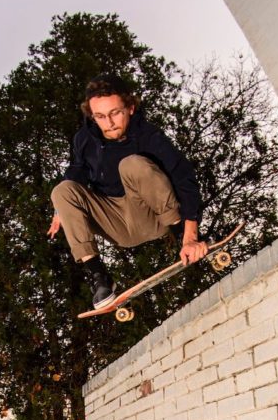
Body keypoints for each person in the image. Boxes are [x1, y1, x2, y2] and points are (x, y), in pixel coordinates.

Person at [49, 74, 208, 309]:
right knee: (61, 191)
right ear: (92, 116)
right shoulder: (83, 139)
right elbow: (76, 171)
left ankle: (180, 238)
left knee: (131, 163)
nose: (109, 123)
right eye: (100, 117)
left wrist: (191, 236)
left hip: (152, 216)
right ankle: (99, 277)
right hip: (115, 223)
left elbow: (183, 177)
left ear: (130, 108)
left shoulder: (150, 136)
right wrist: (60, 210)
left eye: (115, 113)